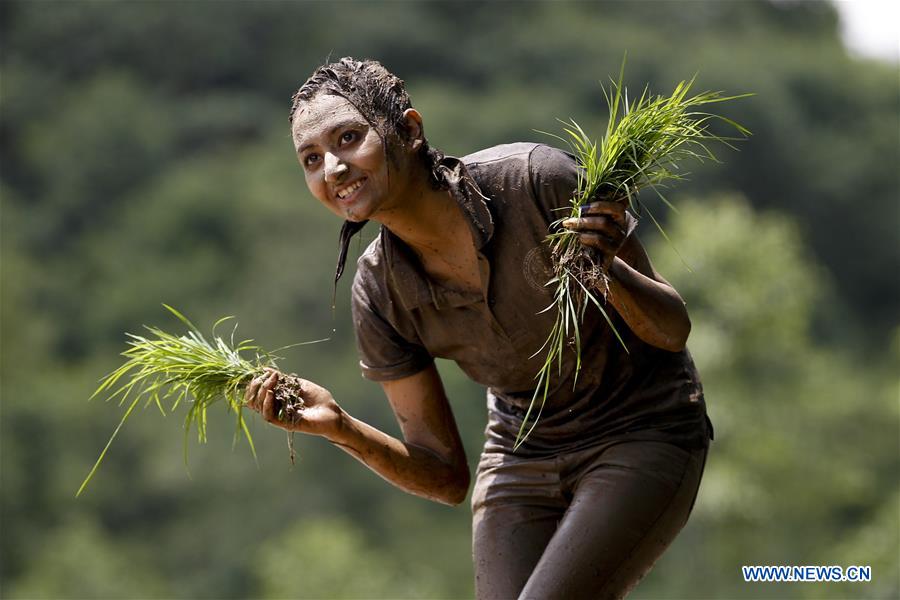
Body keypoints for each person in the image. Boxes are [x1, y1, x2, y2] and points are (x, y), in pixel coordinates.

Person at [244, 57, 714, 600]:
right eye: (311, 159)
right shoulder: (378, 292)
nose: (333, 168)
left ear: (410, 130)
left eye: (348, 138)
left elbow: (671, 330)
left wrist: (604, 270)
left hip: (641, 428)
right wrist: (338, 426)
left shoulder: (536, 181)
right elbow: (444, 475)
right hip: (520, 453)